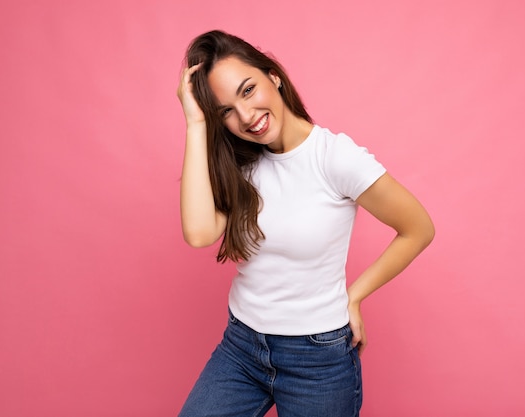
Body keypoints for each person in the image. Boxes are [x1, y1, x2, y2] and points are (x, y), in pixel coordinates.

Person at [176, 30, 435, 417]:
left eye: (248, 90)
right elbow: (199, 233)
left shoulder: (335, 158)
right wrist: (196, 124)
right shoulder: (240, 163)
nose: (246, 117)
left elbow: (418, 229)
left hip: (317, 360)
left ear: (273, 76)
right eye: (225, 111)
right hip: (241, 346)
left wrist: (355, 295)